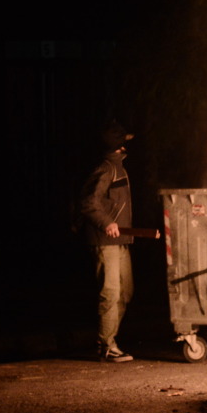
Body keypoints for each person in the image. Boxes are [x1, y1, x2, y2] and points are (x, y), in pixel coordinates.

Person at [80, 120, 137, 362]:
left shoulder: (117, 168)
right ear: (118, 147)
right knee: (111, 293)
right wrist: (107, 223)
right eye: (124, 142)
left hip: (120, 241)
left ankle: (109, 340)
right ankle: (106, 345)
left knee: (125, 292)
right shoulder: (106, 169)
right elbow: (88, 203)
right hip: (106, 241)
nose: (127, 146)